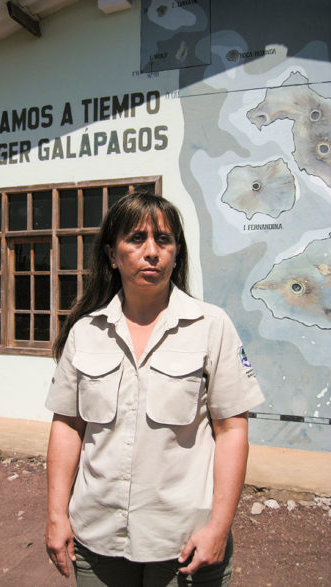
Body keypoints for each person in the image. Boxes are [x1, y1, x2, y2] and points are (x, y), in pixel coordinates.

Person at [45, 191, 264, 586]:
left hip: (184, 542)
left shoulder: (211, 326)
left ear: (176, 253)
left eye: (163, 240)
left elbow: (232, 431)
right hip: (97, 540)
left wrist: (218, 526)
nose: (152, 252)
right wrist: (57, 514)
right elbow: (67, 426)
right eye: (136, 239)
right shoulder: (85, 332)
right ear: (112, 254)